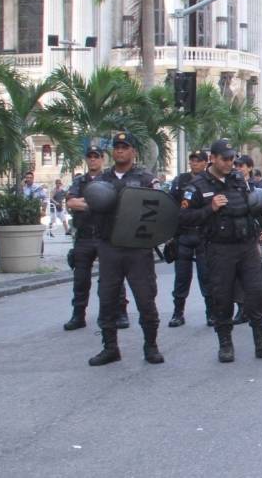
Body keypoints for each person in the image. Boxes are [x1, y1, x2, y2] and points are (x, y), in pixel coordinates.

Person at [180, 139, 262, 363]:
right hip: (219, 248)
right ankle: (225, 344)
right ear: (212, 159)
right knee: (222, 296)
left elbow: (249, 211)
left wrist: (256, 241)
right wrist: (210, 208)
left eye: (232, 159)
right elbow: (184, 217)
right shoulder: (197, 186)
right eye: (225, 159)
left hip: (246, 246)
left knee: (256, 292)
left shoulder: (238, 179)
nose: (230, 163)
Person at [86, 132, 164, 367]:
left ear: (133, 151)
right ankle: (110, 348)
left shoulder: (145, 179)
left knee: (145, 299)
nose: (120, 150)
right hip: (110, 246)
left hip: (137, 248)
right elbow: (86, 205)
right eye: (117, 147)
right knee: (107, 299)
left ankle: (151, 346)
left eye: (125, 146)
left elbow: (160, 209)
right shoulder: (101, 180)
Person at [63, 145, 129, 331]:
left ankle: (120, 312)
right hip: (83, 236)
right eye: (90, 157)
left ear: (102, 159)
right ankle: (78, 315)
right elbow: (71, 202)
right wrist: (96, 203)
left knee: (112, 277)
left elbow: (115, 203)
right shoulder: (79, 181)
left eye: (96, 156)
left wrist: (86, 203)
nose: (93, 160)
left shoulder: (108, 179)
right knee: (80, 279)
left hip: (104, 235)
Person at [167, 149, 213, 327]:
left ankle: (211, 313)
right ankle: (178, 313)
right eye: (192, 160)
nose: (194, 163)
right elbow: (171, 205)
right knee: (181, 277)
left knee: (206, 276)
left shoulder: (210, 181)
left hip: (203, 234)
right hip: (183, 234)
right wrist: (169, 235)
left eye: (198, 160)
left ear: (205, 163)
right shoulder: (180, 181)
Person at [236, 154, 262, 325]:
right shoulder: (232, 186)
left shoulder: (261, 186)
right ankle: (242, 310)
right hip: (241, 237)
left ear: (250, 167)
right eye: (236, 166)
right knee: (239, 275)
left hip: (260, 234)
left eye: (241, 166)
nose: (238, 169)